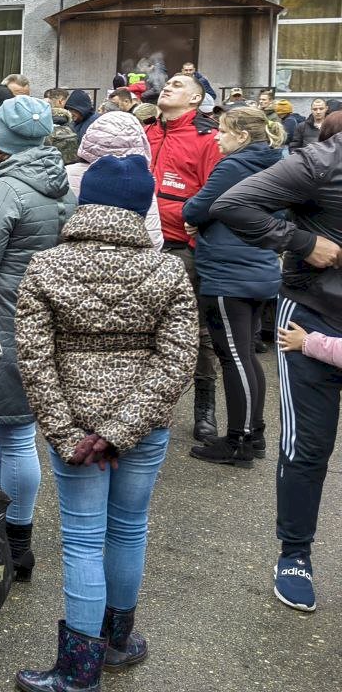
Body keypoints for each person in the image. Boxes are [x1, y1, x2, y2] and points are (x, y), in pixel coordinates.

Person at [14, 154, 197, 692]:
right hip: (145, 427)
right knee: (129, 528)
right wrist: (124, 429)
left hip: (74, 427)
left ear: (83, 200)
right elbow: (178, 356)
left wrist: (70, 433)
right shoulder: (167, 270)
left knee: (82, 540)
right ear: (144, 206)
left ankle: (78, 670)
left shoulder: (46, 267)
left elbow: (34, 358)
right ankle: (119, 641)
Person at [209, 126, 342, 614]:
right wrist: (302, 240)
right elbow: (233, 203)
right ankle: (295, 555)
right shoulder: (324, 162)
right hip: (314, 314)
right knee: (309, 445)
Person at [0, 96, 75, 583]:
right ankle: (18, 540)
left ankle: (7, 540)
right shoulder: (61, 183)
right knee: (21, 434)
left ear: (0, 136)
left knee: (10, 433)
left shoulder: (5, 190)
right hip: (42, 319)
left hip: (1, 321)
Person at [182, 107, 284, 468]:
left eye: (223, 131)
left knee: (234, 357)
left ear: (241, 136)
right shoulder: (276, 163)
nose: (216, 137)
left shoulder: (233, 166)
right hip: (260, 269)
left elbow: (196, 208)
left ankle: (238, 440)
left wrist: (195, 216)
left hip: (229, 271)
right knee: (247, 356)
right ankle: (254, 433)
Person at [146, 73, 223, 442]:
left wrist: (195, 223)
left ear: (196, 99)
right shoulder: (149, 132)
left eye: (178, 84)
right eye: (168, 82)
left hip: (182, 250)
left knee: (195, 332)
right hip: (142, 247)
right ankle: (149, 405)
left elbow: (216, 195)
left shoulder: (207, 138)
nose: (168, 86)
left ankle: (204, 408)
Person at [65, 111, 164, 249]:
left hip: (72, 258)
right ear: (139, 142)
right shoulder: (140, 181)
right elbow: (154, 238)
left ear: (89, 138)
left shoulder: (66, 174)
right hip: (134, 262)